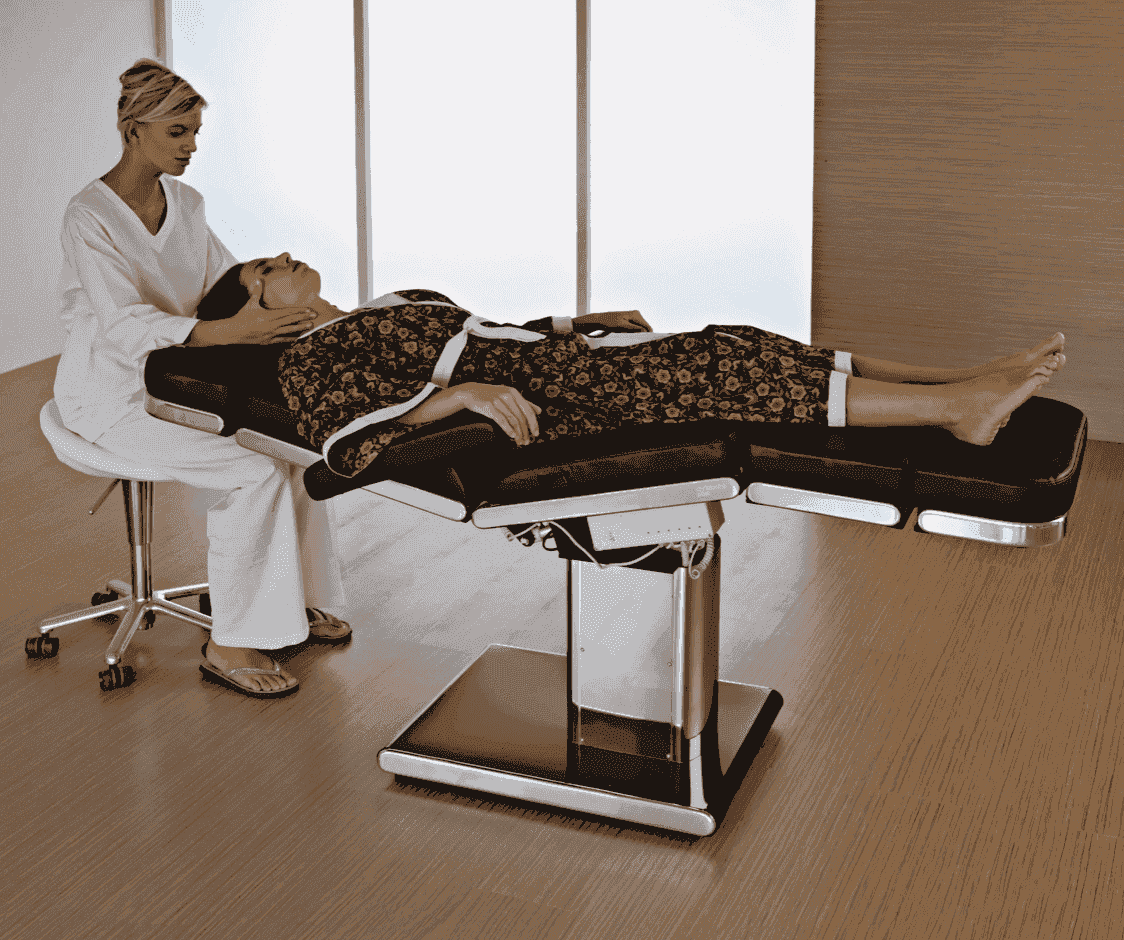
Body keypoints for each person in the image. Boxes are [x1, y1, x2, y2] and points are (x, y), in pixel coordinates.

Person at [194, 254, 1066, 483]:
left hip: (565, 363)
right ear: (255, 309)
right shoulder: (308, 358)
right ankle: (954, 412)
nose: (285, 257)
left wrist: (579, 321)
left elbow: (491, 330)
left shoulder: (385, 305)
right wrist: (459, 398)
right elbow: (343, 441)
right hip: (550, 400)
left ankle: (954, 383)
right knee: (720, 367)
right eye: (267, 266)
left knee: (739, 339)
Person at [54, 60, 350, 699]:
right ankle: (230, 643)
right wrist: (230, 332)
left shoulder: (185, 203)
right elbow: (124, 325)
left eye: (195, 132)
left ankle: (288, 603)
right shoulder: (89, 216)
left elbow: (221, 279)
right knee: (252, 469)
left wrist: (268, 287)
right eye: (178, 132)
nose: (191, 145)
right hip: (112, 395)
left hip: (179, 379)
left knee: (292, 448)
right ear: (133, 130)